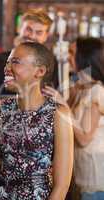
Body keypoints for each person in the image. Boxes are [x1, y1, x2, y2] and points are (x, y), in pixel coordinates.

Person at [0, 42, 74, 199]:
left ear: (40, 71)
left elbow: (61, 186)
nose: (6, 68)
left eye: (15, 62)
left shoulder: (58, 114)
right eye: (7, 62)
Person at [44, 37, 104, 200]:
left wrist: (63, 105)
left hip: (95, 179)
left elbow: (84, 138)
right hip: (80, 175)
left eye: (71, 52)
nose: (66, 56)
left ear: (84, 57)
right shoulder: (80, 86)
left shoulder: (97, 91)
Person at [0, 9, 55, 100]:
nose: (32, 36)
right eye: (28, 29)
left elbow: (57, 99)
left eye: (39, 32)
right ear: (19, 28)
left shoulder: (53, 64)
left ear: (46, 36)